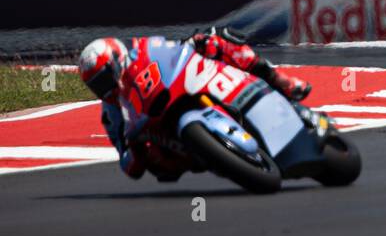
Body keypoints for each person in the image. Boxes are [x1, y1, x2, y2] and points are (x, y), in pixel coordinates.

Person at [77, 27, 311, 181]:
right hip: (168, 142)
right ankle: (215, 152)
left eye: (105, 78)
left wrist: (191, 45)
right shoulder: (111, 114)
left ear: (118, 60)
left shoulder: (141, 53)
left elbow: (169, 52)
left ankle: (278, 80)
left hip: (177, 92)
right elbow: (128, 165)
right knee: (161, 169)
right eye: (97, 85)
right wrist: (134, 149)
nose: (105, 88)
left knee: (216, 39)